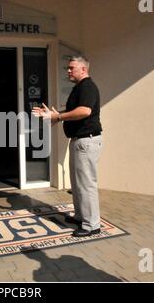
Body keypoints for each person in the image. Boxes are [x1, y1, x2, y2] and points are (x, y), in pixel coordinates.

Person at [32, 56, 103, 237]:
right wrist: (53, 115)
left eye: (72, 68)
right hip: (79, 141)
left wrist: (59, 117)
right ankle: (80, 217)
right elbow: (74, 111)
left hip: (86, 141)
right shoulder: (79, 88)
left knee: (86, 184)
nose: (68, 71)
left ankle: (91, 225)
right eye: (68, 68)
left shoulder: (87, 86)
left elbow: (84, 111)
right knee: (78, 183)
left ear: (83, 69)